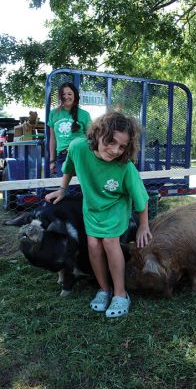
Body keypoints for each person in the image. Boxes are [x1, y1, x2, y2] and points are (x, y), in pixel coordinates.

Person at [45, 112, 152, 318]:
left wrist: (143, 225)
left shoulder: (125, 167)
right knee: (93, 245)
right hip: (93, 206)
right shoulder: (78, 147)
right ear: (98, 133)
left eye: (122, 147)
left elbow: (142, 199)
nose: (114, 150)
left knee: (109, 243)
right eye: (110, 142)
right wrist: (62, 190)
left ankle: (121, 294)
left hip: (115, 206)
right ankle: (104, 289)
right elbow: (69, 167)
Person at [48, 82, 92, 177]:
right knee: (65, 188)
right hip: (63, 156)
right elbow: (53, 139)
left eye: (69, 94)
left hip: (80, 155)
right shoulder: (53, 113)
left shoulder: (84, 114)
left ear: (75, 95)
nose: (66, 97)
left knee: (78, 188)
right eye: (63, 94)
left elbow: (91, 138)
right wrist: (52, 160)